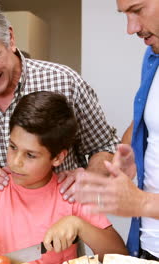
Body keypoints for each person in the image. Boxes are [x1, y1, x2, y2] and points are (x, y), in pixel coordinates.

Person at [0, 0, 119, 219]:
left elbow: (106, 146)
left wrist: (89, 176)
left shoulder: (65, 83)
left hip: (63, 238)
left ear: (10, 39)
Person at [0, 91, 127, 263]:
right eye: (12, 147)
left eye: (30, 155)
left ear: (58, 157)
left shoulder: (71, 195)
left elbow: (120, 257)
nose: (16, 162)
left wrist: (79, 225)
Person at [74, 0, 159, 260]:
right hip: (149, 247)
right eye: (125, 14)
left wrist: (143, 203)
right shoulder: (154, 56)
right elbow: (145, 124)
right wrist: (129, 160)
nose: (131, 28)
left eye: (137, 10)